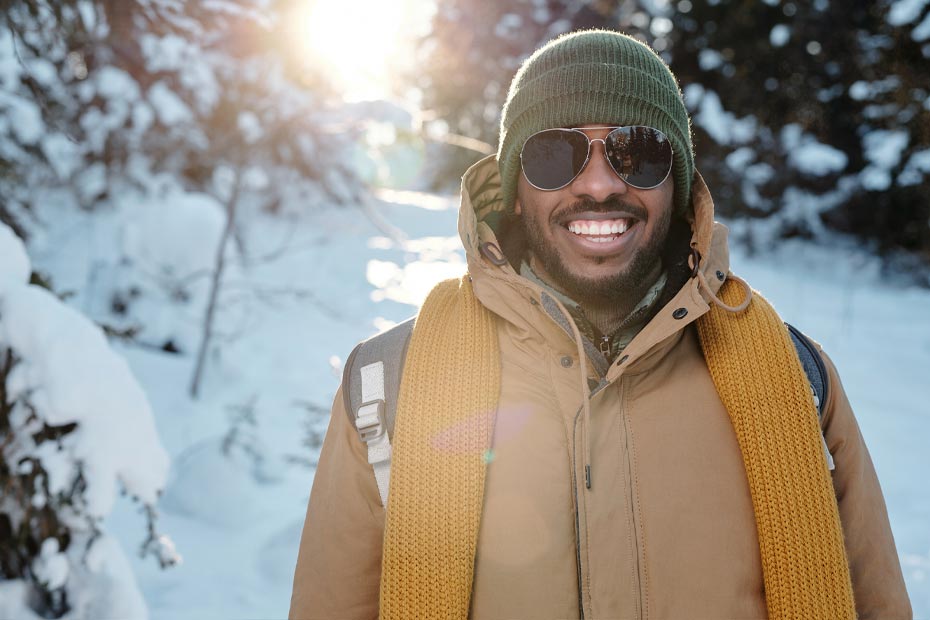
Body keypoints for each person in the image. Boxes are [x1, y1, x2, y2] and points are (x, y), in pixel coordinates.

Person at [289, 30, 911, 620]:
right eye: (554, 153)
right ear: (512, 187)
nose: (598, 183)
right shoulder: (387, 384)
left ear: (679, 179)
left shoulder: (797, 381)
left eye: (637, 153)